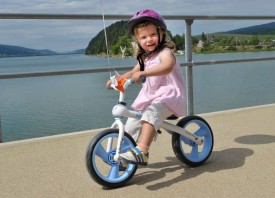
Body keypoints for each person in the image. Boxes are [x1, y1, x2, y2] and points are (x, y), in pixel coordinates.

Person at [106, 9, 186, 166]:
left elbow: (167, 67)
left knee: (150, 113)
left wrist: (145, 73)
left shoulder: (165, 52)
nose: (149, 39)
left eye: (153, 35)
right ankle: (123, 156)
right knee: (131, 123)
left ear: (161, 34)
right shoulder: (144, 58)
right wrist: (118, 80)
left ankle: (142, 151)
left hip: (169, 95)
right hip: (150, 97)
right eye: (143, 37)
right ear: (138, 40)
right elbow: (132, 73)